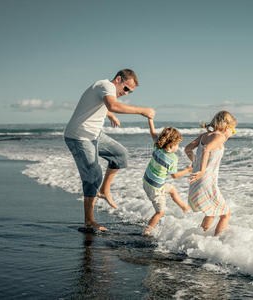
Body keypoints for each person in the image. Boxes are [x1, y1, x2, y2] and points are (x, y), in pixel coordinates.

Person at [64, 69, 155, 231]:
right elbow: (112, 104)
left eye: (130, 92)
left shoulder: (105, 89)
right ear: (118, 79)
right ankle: (89, 221)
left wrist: (110, 114)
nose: (126, 93)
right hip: (79, 137)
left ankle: (105, 190)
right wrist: (142, 110)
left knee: (120, 155)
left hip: (94, 134)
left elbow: (103, 105)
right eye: (126, 88)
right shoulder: (106, 85)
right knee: (93, 175)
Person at [185, 110, 237, 236]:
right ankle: (217, 243)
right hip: (206, 180)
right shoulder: (220, 137)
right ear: (226, 126)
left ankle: (199, 238)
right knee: (226, 214)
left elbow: (188, 149)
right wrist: (202, 170)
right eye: (233, 130)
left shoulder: (204, 136)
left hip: (198, 181)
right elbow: (207, 149)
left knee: (212, 213)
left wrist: (195, 164)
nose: (232, 133)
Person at [142, 118, 192, 235]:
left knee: (172, 189)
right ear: (172, 144)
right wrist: (188, 170)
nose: (177, 147)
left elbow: (152, 132)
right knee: (160, 212)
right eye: (177, 144)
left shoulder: (157, 147)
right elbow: (174, 175)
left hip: (146, 182)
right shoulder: (172, 158)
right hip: (155, 189)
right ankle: (146, 232)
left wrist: (150, 120)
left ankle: (184, 207)